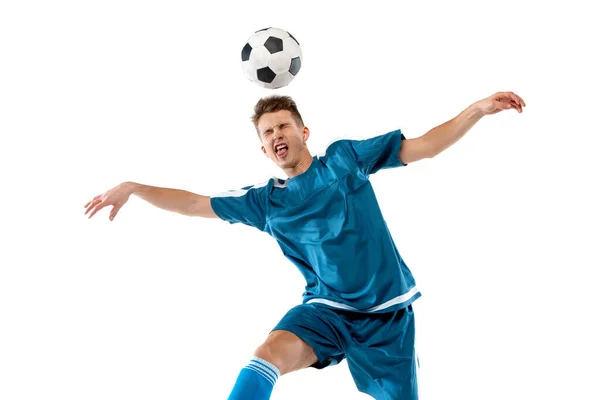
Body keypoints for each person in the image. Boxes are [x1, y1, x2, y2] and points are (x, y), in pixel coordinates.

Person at [84, 91, 526, 399]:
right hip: (326, 311)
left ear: (304, 132)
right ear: (263, 150)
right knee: (267, 353)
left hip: (387, 313)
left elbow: (425, 146)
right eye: (267, 133)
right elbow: (196, 203)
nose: (276, 135)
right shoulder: (265, 202)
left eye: (283, 126)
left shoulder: (345, 160)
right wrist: (134, 187)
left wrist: (479, 109)